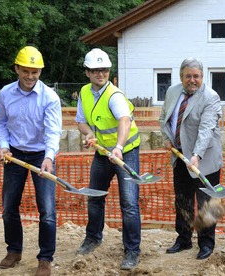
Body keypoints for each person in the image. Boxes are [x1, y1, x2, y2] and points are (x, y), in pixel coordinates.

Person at [0, 46, 62, 276]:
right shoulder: (5, 94)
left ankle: (45, 258)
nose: (30, 76)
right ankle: (14, 251)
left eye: (35, 72)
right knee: (9, 207)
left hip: (42, 154)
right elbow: (0, 122)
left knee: (48, 210)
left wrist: (49, 157)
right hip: (13, 154)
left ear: (40, 71)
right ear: (17, 69)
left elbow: (53, 131)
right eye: (25, 71)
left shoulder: (49, 97)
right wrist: (3, 146)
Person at [75, 48, 142, 270]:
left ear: (108, 71)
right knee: (95, 196)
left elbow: (123, 120)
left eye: (103, 70)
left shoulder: (114, 95)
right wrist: (89, 134)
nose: (100, 74)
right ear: (87, 72)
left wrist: (120, 147)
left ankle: (132, 250)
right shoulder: (84, 93)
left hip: (126, 152)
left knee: (129, 203)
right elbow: (81, 121)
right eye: (95, 70)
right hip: (103, 152)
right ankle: (93, 237)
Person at [158, 57, 223, 260]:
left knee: (206, 203)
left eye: (196, 76)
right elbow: (164, 118)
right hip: (179, 157)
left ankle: (206, 243)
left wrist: (196, 156)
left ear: (202, 77)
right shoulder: (172, 92)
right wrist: (168, 138)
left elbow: (205, 130)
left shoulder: (210, 97)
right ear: (181, 77)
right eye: (188, 76)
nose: (192, 80)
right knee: (183, 200)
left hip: (204, 159)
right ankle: (183, 239)